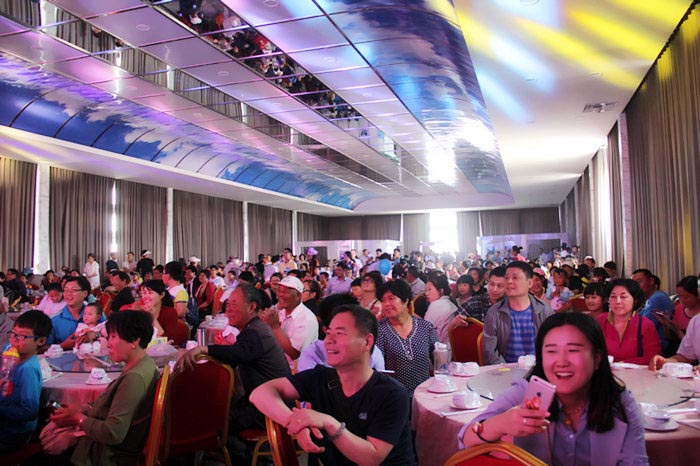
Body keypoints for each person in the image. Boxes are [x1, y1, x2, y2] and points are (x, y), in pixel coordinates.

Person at [459, 313, 648, 465]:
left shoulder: (620, 403)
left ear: (597, 359)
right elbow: (465, 439)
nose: (562, 362)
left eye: (573, 350)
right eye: (551, 351)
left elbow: (635, 461)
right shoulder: (525, 394)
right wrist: (500, 424)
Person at [250, 305, 416, 465]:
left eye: (340, 334)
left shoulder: (391, 394)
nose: (329, 340)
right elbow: (260, 394)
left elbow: (371, 459)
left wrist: (330, 424)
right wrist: (296, 423)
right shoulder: (321, 378)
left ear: (367, 342)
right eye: (328, 333)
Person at [177, 285, 290, 462]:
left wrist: (204, 349)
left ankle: (237, 457)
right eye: (227, 304)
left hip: (267, 409)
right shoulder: (254, 328)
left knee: (211, 418)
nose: (228, 310)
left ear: (252, 307)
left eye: (234, 305)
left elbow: (238, 353)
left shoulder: (255, 332)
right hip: (262, 401)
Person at [51, 310, 159, 465]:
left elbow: (112, 433)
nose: (108, 343)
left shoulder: (134, 378)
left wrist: (77, 418)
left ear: (135, 340)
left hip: (107, 456)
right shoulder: (146, 364)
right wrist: (81, 409)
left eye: (113, 337)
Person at [482, 262, 553, 365]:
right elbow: (490, 351)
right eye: (506, 278)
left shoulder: (544, 310)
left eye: (515, 278)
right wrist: (505, 370)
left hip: (537, 369)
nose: (509, 281)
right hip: (505, 370)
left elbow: (552, 346)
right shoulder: (494, 312)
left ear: (529, 283)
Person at [0, 311, 52, 450]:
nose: (14, 340)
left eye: (22, 336)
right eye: (13, 334)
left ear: (41, 341)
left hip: (13, 433)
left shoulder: (27, 369)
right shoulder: (9, 355)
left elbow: (29, 411)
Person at [376, 279, 437, 396]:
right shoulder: (379, 330)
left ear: (406, 301)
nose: (386, 304)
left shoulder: (425, 327)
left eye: (391, 298)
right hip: (394, 396)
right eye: (383, 300)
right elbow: (379, 371)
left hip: (424, 394)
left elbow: (438, 359)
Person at [298, 294, 385, 372]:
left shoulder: (371, 352)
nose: (331, 341)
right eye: (332, 332)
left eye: (341, 333)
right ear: (325, 330)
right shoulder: (313, 353)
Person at [595, 278, 661, 365]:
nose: (618, 301)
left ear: (635, 300)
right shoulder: (600, 321)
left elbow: (653, 358)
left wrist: (622, 364)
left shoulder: (645, 325)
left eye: (623, 297)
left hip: (634, 372)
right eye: (613, 296)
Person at [260, 276, 318, 370]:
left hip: (296, 371)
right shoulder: (281, 312)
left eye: (285, 292)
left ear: (298, 296)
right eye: (279, 291)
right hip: (277, 366)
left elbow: (294, 354)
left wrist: (275, 327)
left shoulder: (307, 319)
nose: (280, 295)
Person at [631, 269, 674, 355]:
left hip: (657, 348)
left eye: (639, 282)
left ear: (651, 281)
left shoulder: (658, 298)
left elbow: (642, 326)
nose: (636, 287)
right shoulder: (649, 299)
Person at [136, 280, 188, 347]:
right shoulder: (139, 312)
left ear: (162, 295)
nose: (146, 296)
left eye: (150, 293)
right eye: (144, 293)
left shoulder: (170, 312)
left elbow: (168, 341)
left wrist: (153, 318)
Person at [47, 276, 94, 349]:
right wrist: (62, 346)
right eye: (65, 290)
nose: (68, 294)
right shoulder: (54, 320)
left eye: (73, 290)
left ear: (85, 293)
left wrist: (95, 335)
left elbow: (108, 336)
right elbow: (42, 349)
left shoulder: (95, 313)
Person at [424, 273, 458, 345]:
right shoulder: (449, 301)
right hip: (449, 347)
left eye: (430, 289)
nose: (426, 293)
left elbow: (424, 331)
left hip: (438, 348)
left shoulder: (437, 305)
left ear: (441, 290)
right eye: (425, 290)